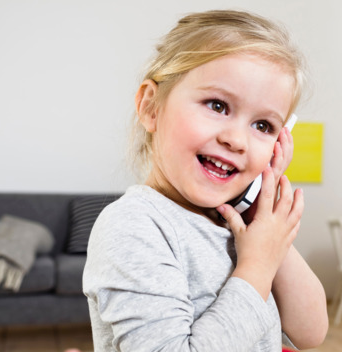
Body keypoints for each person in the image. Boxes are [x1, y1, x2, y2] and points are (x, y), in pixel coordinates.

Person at [83, 9, 328, 351]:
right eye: (217, 105)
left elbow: (311, 332)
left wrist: (265, 231)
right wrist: (256, 267)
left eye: (263, 126)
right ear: (151, 107)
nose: (237, 140)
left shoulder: (243, 229)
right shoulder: (134, 225)